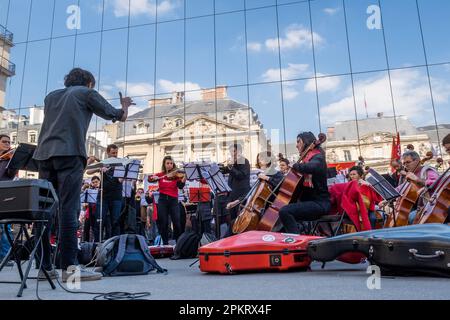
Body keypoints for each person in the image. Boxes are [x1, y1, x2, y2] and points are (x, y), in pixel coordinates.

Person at [32, 68, 133, 282]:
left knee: (45, 212)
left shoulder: (51, 97)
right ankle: (71, 270)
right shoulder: (86, 93)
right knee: (69, 210)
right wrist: (124, 105)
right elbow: (119, 116)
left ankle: (44, 268)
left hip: (43, 156)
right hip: (69, 154)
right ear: (88, 83)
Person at [278, 132, 331, 234]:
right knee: (284, 212)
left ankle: (295, 242)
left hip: (320, 203)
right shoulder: (307, 160)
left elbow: (311, 167)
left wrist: (294, 165)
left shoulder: (318, 157)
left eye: (298, 142)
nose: (296, 145)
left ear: (306, 142)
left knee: (285, 211)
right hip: (311, 203)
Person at [87, 144, 124, 241]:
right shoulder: (103, 163)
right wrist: (99, 168)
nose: (115, 155)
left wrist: (120, 173)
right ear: (108, 153)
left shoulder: (120, 164)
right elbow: (88, 172)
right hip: (103, 196)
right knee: (99, 221)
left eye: (116, 153)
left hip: (116, 196)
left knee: (115, 222)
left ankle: (115, 244)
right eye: (113, 153)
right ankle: (97, 244)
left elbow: (120, 180)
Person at [148, 156, 186, 245]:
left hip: (173, 200)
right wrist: (153, 177)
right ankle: (165, 243)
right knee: (163, 222)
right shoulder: (161, 175)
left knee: (176, 222)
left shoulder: (176, 175)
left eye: (171, 163)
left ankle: (178, 243)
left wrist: (185, 177)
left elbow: (180, 186)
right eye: (167, 163)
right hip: (162, 200)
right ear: (164, 164)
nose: (169, 165)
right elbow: (149, 179)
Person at [397, 150, 439, 225]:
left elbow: (436, 183)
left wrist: (417, 179)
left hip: (430, 206)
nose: (405, 165)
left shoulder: (427, 170)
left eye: (408, 162)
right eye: (404, 163)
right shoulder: (410, 175)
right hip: (417, 207)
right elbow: (400, 188)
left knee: (411, 217)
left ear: (417, 161)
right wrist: (389, 195)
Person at [0, 134, 17, 267]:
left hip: (5, 195)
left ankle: (5, 256)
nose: (7, 144)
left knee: (6, 227)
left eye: (9, 142)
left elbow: (10, 176)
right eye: (4, 141)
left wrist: (13, 161)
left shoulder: (9, 159)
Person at [222, 144, 251, 221]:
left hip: (241, 195)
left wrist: (231, 167)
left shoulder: (244, 161)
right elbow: (223, 170)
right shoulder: (233, 163)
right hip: (232, 195)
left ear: (239, 151)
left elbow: (240, 175)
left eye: (234, 151)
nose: (232, 153)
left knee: (240, 220)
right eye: (231, 151)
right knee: (232, 220)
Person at [81, 176, 100, 242]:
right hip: (89, 212)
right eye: (93, 182)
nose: (95, 183)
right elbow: (84, 202)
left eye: (96, 182)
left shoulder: (101, 191)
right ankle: (85, 243)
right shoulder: (89, 190)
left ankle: (96, 243)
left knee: (96, 229)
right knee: (86, 228)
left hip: (97, 212)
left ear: (99, 182)